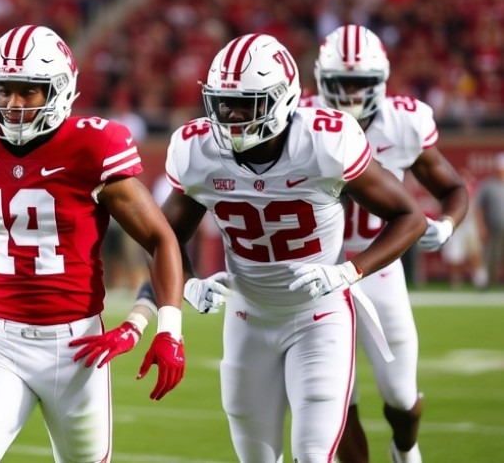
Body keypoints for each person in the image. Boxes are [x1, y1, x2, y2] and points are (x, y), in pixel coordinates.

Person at [97, 33, 427, 462]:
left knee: (313, 454)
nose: (231, 115)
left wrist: (349, 271)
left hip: (319, 316)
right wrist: (190, 283)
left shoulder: (324, 143)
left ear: (282, 100)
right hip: (248, 315)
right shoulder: (199, 149)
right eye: (222, 102)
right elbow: (163, 237)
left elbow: (410, 217)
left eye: (247, 103)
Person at [0, 24, 186, 463]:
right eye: (4, 91)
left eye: (28, 92)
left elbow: (161, 239)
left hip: (78, 349)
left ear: (60, 90)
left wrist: (166, 329)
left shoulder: (93, 146)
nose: (13, 105)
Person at [308, 24, 470, 463]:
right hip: (315, 276)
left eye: (360, 84)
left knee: (400, 395)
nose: (349, 95)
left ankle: (405, 447)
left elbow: (452, 189)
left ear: (380, 81)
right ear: (321, 80)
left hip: (379, 268)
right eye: (339, 83)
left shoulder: (404, 122)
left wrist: (449, 224)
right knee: (334, 400)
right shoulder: (298, 120)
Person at [475, 153, 504, 290]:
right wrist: (481, 227)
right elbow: (479, 208)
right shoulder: (488, 185)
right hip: (494, 227)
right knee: (493, 256)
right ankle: (490, 283)